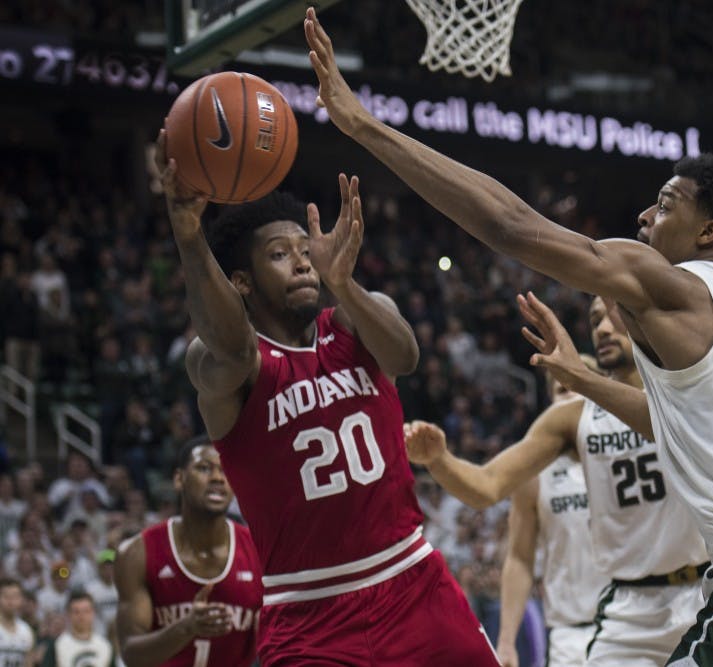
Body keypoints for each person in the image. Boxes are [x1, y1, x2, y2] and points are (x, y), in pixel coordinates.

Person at [305, 9, 713, 663]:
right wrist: (584, 380)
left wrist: (363, 125)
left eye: (668, 203)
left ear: (709, 232)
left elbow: (510, 224)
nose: (646, 214)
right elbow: (676, 422)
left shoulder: (677, 284)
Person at [154, 128, 499, 665]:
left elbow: (405, 357)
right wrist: (188, 234)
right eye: (278, 254)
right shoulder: (226, 365)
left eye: (304, 250)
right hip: (306, 612)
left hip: (410, 582)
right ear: (241, 281)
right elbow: (227, 343)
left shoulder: (354, 322)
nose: (301, 262)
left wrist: (344, 281)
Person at [407, 295, 708, 666]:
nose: (603, 327)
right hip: (626, 609)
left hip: (702, 594)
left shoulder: (686, 391)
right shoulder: (573, 419)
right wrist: (439, 461)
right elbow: (487, 486)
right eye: (595, 319)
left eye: (616, 314)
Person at [497, 355, 607, 667]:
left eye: (577, 387)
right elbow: (519, 556)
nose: (569, 396)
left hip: (637, 620)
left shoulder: (629, 451)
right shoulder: (535, 472)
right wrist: (506, 641)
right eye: (561, 391)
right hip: (569, 636)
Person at [114, 436, 262, 667]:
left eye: (226, 469)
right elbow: (131, 654)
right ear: (178, 479)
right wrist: (187, 627)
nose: (217, 478)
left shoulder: (261, 551)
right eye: (204, 468)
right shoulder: (136, 553)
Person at [39, 592, 113, 667]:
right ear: (68, 615)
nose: (82, 616)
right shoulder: (57, 645)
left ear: (93, 613)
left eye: (86, 611)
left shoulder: (105, 645)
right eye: (76, 612)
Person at [0, 578, 34, 667]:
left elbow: (28, 663)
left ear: (21, 599)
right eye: (6, 597)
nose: (11, 601)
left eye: (15, 597)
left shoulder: (26, 630)